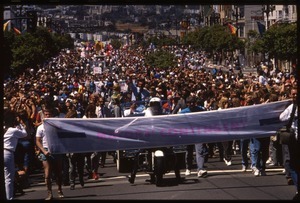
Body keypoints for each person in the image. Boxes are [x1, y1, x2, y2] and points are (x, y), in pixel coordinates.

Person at [128, 97, 181, 184]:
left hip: (162, 139)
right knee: (138, 155)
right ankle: (132, 176)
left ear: (160, 105)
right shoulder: (146, 113)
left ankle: (178, 176)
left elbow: (170, 123)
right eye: (153, 104)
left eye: (156, 104)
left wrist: (172, 130)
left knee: (173, 154)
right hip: (149, 139)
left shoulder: (164, 113)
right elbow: (139, 122)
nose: (155, 107)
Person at [35, 107, 64, 200]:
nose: (47, 116)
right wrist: (43, 151)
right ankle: (49, 193)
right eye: (46, 114)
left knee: (58, 172)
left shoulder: (56, 126)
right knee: (47, 174)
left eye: (49, 115)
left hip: (56, 149)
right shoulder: (40, 127)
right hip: (45, 150)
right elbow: (38, 141)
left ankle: (59, 189)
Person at [179, 96, 208, 178]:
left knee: (200, 151)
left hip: (198, 133)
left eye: (193, 102)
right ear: (187, 104)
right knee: (189, 151)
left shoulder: (200, 110)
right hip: (188, 134)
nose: (191, 104)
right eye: (189, 103)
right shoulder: (183, 112)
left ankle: (200, 169)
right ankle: (188, 168)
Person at [279, 87, 299, 200]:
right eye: (293, 94)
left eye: (295, 94)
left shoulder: (292, 107)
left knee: (293, 165)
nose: (294, 96)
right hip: (294, 140)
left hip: (295, 140)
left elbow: (281, 118)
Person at [4, 109, 28, 200]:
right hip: (7, 152)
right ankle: (9, 198)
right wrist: (20, 124)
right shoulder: (12, 130)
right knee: (8, 177)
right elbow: (24, 134)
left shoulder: (5, 129)